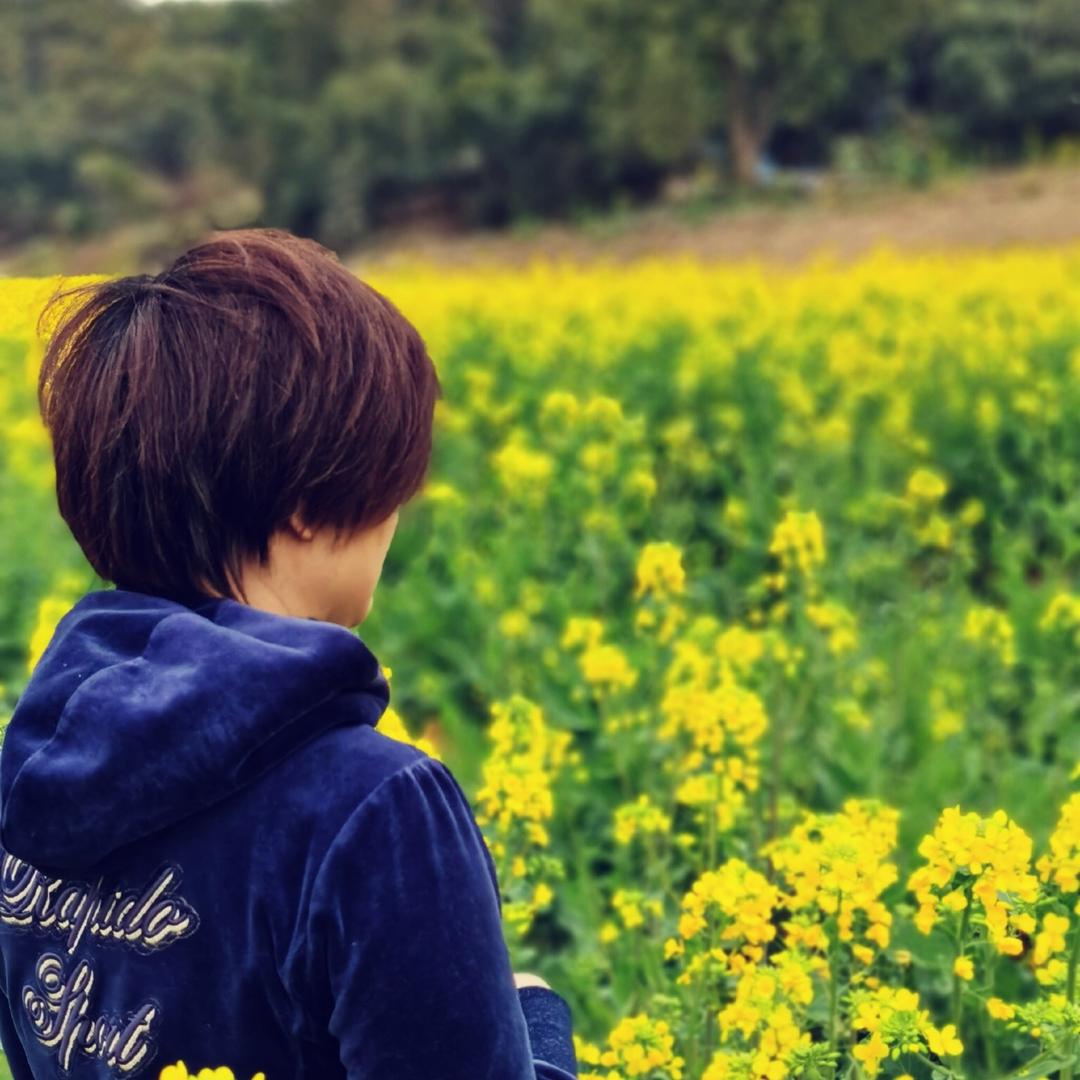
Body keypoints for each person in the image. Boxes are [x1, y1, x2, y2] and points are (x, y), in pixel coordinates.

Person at [0, 228, 578, 1080]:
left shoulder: (31, 774)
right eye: (393, 480)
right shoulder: (375, 808)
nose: (396, 514)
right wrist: (538, 1026)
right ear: (309, 503)